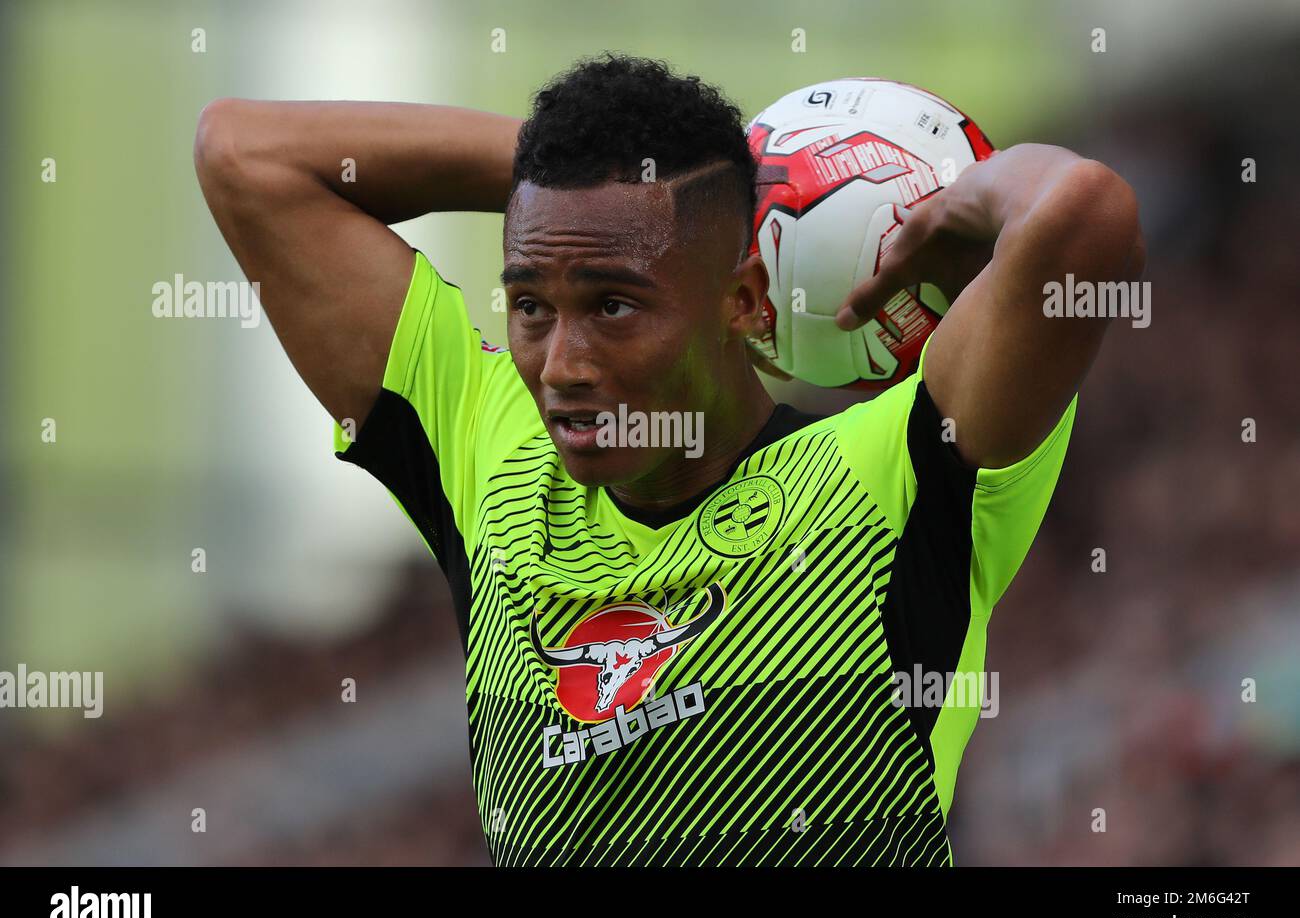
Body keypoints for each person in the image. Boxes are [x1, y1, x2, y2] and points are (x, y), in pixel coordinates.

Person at [194, 52, 1143, 866]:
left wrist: (962, 192)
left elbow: (1086, 217)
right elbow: (245, 155)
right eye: (529, 304)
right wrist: (617, 191)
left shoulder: (891, 479)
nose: (560, 367)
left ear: (742, 298)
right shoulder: (489, 452)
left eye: (613, 305)